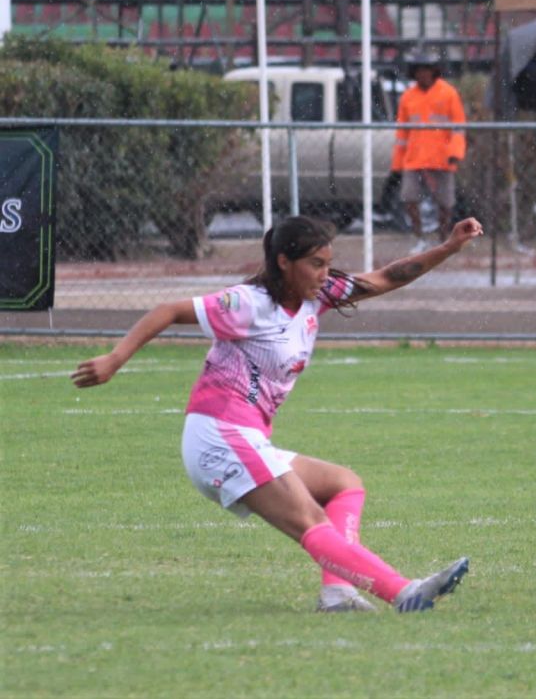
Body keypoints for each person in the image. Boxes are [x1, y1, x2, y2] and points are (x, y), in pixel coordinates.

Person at [71, 215, 484, 613]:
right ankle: (404, 593)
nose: (325, 274)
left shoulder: (317, 295)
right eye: (316, 264)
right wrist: (115, 359)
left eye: (328, 263)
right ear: (284, 262)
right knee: (309, 520)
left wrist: (449, 247)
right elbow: (167, 310)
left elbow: (386, 277)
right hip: (219, 435)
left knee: (343, 484)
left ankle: (338, 595)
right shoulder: (248, 304)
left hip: (246, 438)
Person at [390, 49, 467, 254]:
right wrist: (397, 163)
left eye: (426, 70)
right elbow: (402, 133)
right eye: (418, 70)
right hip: (414, 158)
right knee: (409, 198)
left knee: (445, 203)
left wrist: (455, 152)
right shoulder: (407, 97)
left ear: (434, 71)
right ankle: (419, 238)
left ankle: (443, 240)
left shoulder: (448, 93)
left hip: (442, 157)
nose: (422, 74)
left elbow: (458, 127)